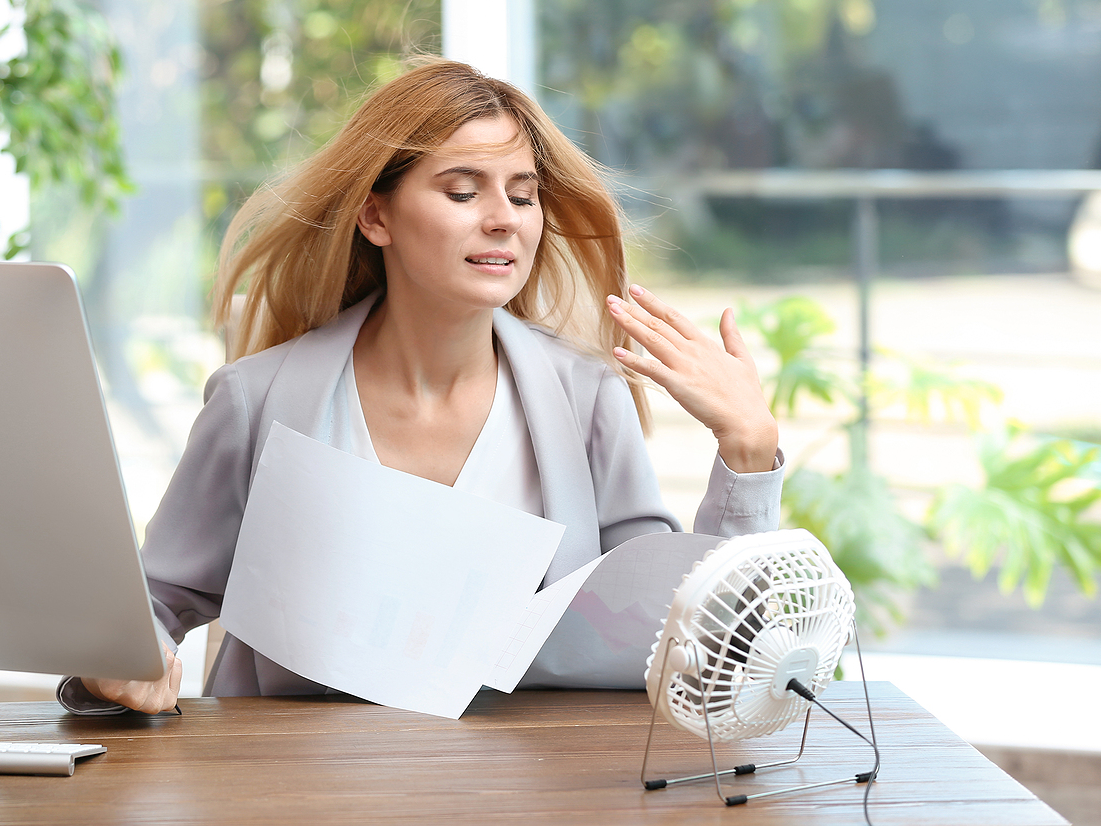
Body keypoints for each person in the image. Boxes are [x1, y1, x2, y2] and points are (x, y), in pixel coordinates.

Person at [58, 60, 782, 715]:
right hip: (290, 789)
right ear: (376, 216)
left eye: (523, 196)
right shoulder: (256, 399)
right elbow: (150, 605)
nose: (503, 219)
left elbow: (673, 636)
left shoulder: (588, 398)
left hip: (530, 789)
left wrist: (748, 450)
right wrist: (125, 664)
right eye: (463, 191)